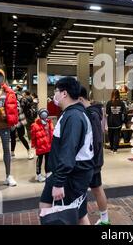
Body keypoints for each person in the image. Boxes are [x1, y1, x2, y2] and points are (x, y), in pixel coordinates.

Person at [39, 77, 94, 225]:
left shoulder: (74, 117)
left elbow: (68, 150)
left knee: (68, 213)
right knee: (75, 213)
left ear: (64, 93)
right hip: (68, 174)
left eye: (56, 91)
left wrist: (59, 182)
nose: (54, 95)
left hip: (71, 176)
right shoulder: (72, 113)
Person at [78, 86, 110, 225]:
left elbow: (96, 140)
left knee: (83, 193)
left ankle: (102, 220)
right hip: (93, 161)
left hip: (90, 162)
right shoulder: (94, 111)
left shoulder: (90, 114)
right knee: (97, 189)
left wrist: (92, 161)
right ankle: (104, 219)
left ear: (80, 99)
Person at [31, 109, 53, 183]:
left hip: (48, 145)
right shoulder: (35, 125)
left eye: (45, 113)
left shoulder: (49, 123)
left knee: (48, 160)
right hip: (40, 146)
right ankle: (38, 174)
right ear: (40, 115)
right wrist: (33, 144)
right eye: (42, 114)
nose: (44, 115)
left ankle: (48, 172)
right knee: (39, 161)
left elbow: (51, 133)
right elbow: (33, 136)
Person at [106, 89, 126, 154]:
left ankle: (111, 149)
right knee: (116, 135)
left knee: (110, 135)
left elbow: (107, 112)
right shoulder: (121, 103)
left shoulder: (109, 103)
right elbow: (124, 112)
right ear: (119, 95)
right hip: (118, 122)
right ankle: (115, 149)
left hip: (110, 122)